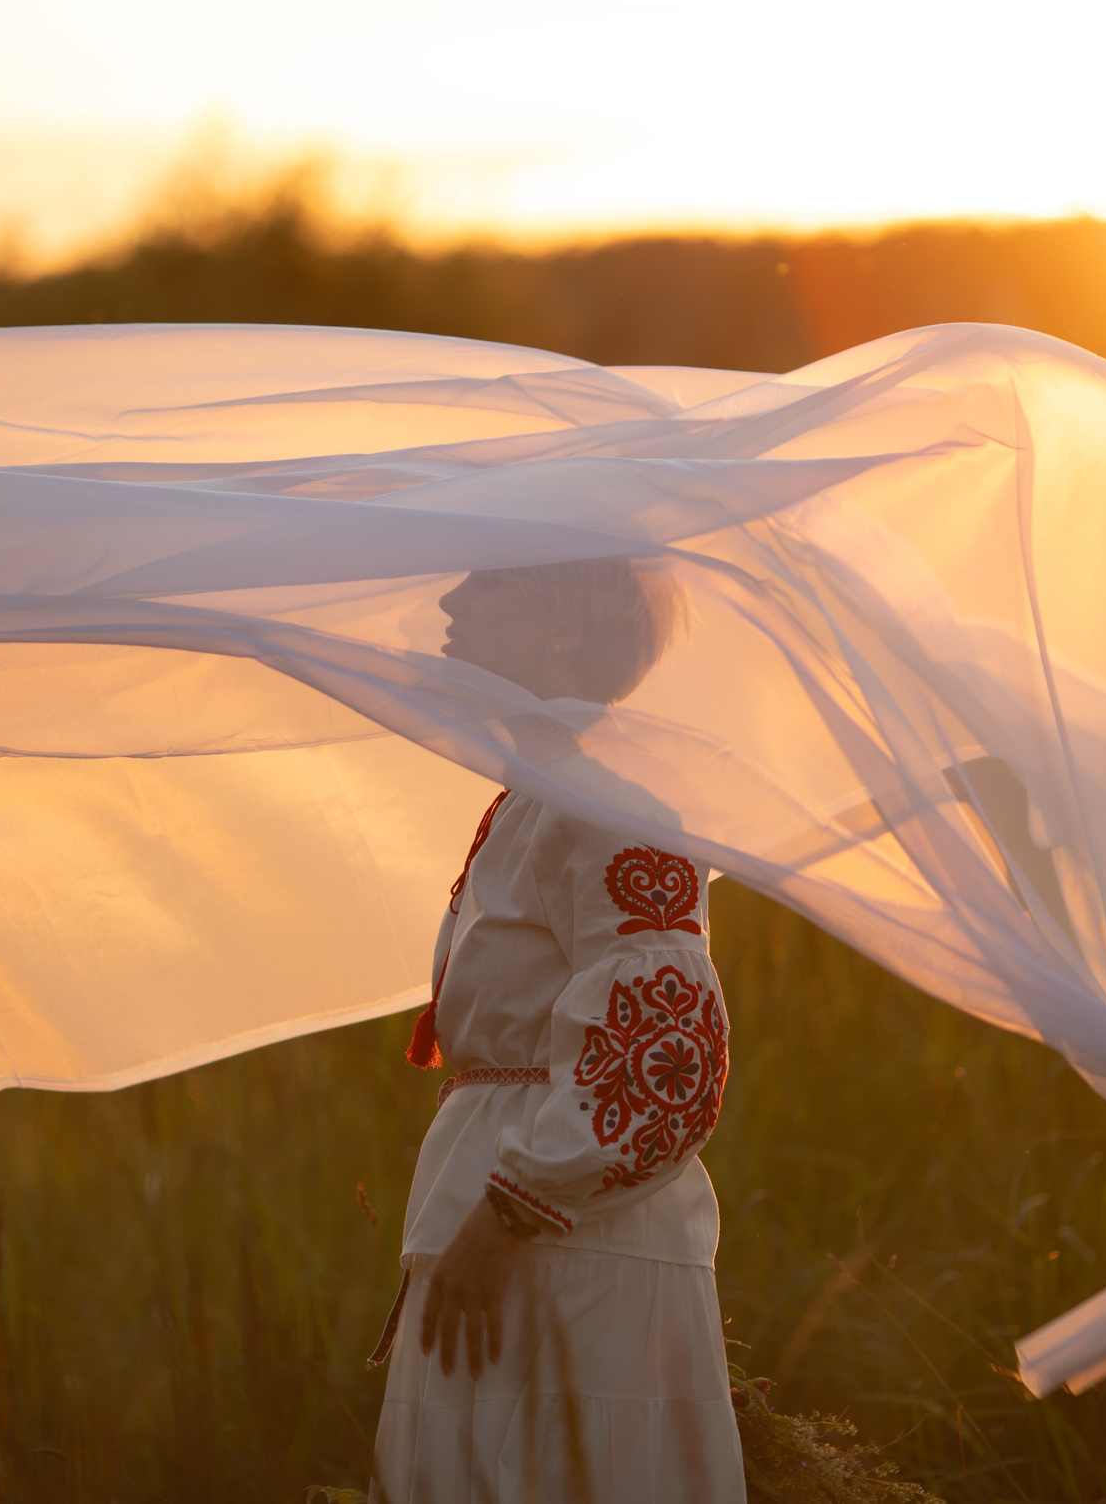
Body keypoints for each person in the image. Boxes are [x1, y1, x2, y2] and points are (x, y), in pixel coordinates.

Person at [369, 555, 746, 1502]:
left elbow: (671, 1055)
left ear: (564, 626)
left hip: (564, 1247)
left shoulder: (610, 806)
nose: (450, 599)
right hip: (521, 1224)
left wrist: (509, 1213)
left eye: (487, 580)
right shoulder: (541, 796)